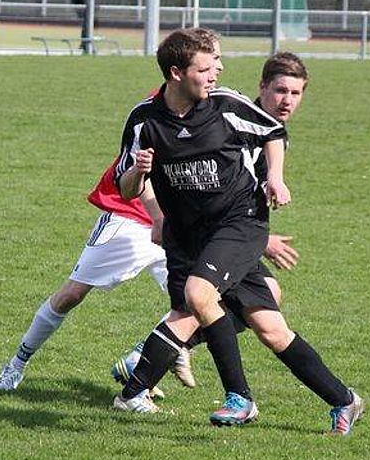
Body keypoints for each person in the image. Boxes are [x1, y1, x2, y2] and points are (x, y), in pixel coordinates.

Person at [112, 29, 365, 435]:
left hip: (239, 222)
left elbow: (273, 133)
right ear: (177, 73)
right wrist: (139, 176)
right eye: (207, 68)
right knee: (268, 327)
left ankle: (238, 398)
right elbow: (126, 186)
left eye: (216, 67)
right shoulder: (144, 120)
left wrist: (276, 180)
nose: (216, 73)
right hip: (189, 236)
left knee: (198, 297)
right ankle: (344, 400)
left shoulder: (226, 105)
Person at [0, 100, 299, 395]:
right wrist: (157, 217)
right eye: (208, 62)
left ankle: (144, 369)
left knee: (239, 296)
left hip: (184, 229)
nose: (215, 68)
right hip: (132, 218)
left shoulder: (232, 116)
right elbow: (142, 170)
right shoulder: (161, 110)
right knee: (72, 294)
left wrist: (254, 238)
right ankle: (17, 363)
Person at [109, 51, 309, 389]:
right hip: (196, 232)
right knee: (197, 303)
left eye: (295, 93)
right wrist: (158, 216)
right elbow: (160, 174)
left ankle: (163, 355)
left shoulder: (270, 134)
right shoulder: (230, 118)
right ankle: (145, 368)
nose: (286, 100)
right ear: (261, 87)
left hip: (228, 231)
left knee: (266, 296)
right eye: (280, 90)